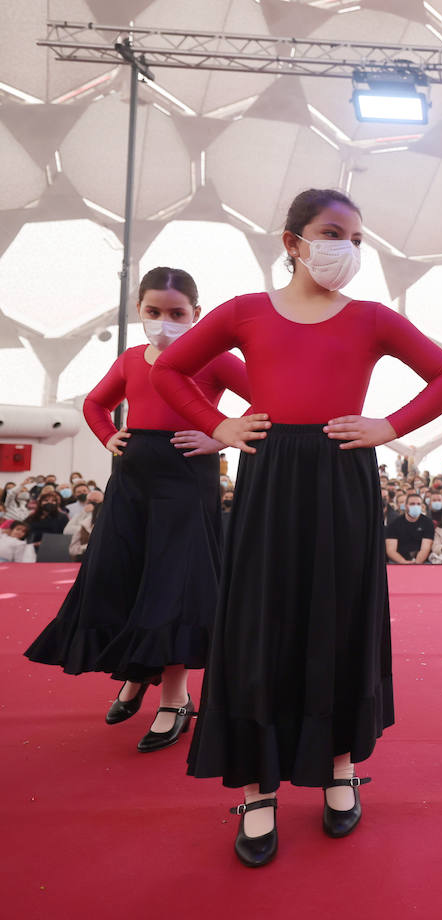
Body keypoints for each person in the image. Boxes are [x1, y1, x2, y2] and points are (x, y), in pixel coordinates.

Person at [150, 188, 442, 866]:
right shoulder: (243, 312)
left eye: (355, 238)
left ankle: (341, 765)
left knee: (340, 615)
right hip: (267, 476)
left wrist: (389, 426)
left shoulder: (374, 318)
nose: (346, 248)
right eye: (331, 233)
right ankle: (259, 787)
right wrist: (219, 425)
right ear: (291, 242)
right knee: (260, 622)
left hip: (342, 475)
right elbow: (174, 370)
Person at [25, 267, 249, 755]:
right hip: (130, 483)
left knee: (174, 587)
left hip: (187, 483)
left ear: (197, 314)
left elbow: (274, 405)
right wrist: (109, 436)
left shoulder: (216, 359)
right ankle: (136, 673)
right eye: (153, 312)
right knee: (122, 580)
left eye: (177, 313)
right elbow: (95, 404)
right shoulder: (129, 359)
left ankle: (176, 698)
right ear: (139, 312)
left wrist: (219, 434)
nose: (164, 322)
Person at [384, 491, 435, 564]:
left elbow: (425, 548)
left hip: (421, 561)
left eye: (418, 504)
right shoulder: (394, 523)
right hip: (398, 560)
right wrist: (404, 563)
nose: (415, 506)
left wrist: (416, 563)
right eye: (412, 504)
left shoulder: (428, 523)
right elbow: (391, 550)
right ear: (405, 506)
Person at [63, 488, 104, 560]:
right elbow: (67, 531)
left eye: (95, 501)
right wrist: (83, 528)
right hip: (83, 554)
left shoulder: (105, 516)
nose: (91, 503)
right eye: (89, 501)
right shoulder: (80, 514)